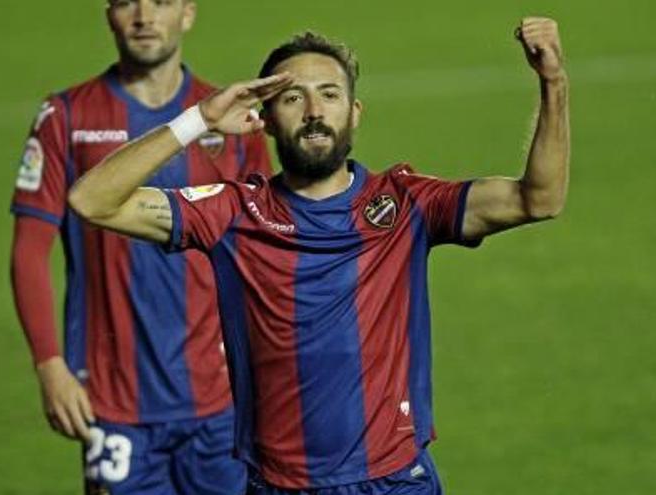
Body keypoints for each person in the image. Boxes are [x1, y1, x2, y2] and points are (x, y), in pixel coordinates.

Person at [67, 17, 569, 494]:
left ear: (354, 113)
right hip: (280, 484)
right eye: (292, 97)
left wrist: (553, 83)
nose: (313, 111)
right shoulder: (232, 212)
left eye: (329, 94)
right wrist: (199, 119)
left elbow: (539, 198)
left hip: (393, 481)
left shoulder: (405, 203)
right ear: (264, 120)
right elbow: (92, 200)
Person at [9, 0, 270, 493]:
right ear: (108, 14)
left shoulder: (232, 119)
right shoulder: (66, 115)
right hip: (111, 402)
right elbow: (29, 250)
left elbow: (262, 250)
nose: (144, 17)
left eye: (162, 2)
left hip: (222, 401)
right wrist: (50, 365)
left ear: (188, 14)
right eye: (128, 2)